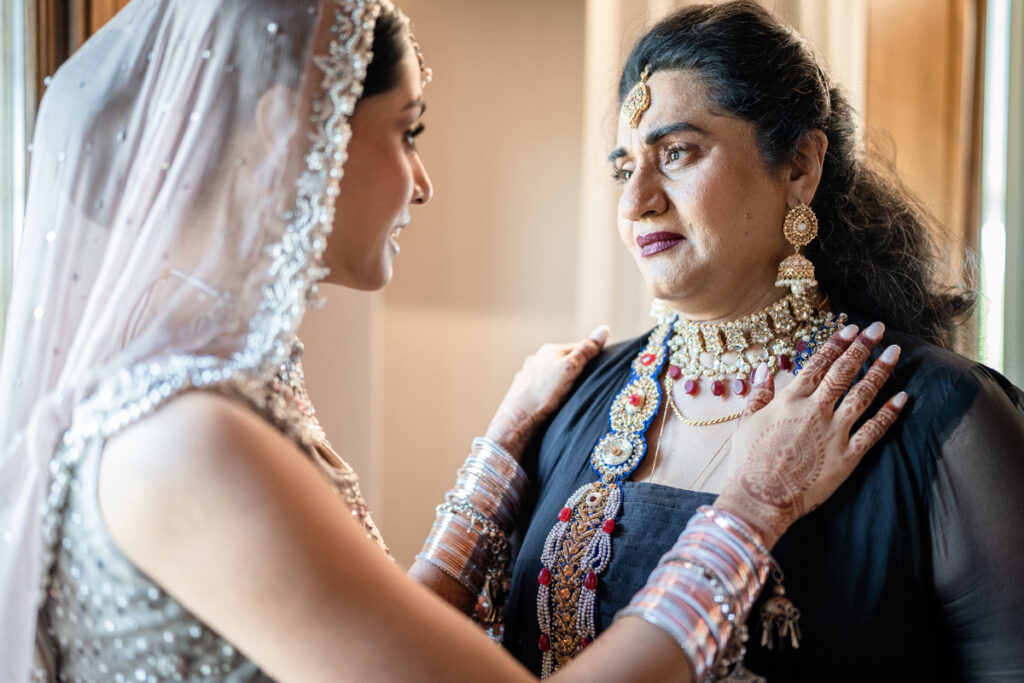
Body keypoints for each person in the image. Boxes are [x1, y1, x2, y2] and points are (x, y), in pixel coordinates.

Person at [0, 1, 904, 681]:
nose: (422, 181)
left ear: (801, 165)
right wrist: (749, 508)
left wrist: (504, 450)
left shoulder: (206, 401)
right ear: (288, 134)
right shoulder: (188, 441)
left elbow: (362, 641)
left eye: (679, 154)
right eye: (408, 131)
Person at [498, 2, 1024, 681]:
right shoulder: (572, 399)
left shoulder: (940, 419)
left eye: (677, 152)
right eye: (625, 167)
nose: (636, 202)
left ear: (801, 165)